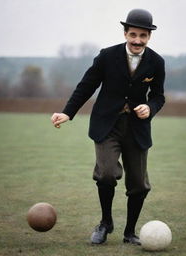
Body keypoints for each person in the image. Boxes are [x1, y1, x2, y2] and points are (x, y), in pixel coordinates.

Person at [51, 9, 165, 245]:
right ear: (125, 33)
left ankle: (130, 232)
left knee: (139, 185)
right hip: (107, 125)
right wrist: (67, 112)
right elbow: (86, 86)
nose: (137, 40)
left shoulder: (156, 62)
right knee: (105, 174)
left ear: (149, 37)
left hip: (137, 129)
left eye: (142, 36)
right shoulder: (106, 56)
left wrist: (150, 108)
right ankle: (105, 223)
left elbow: (158, 96)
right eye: (133, 34)